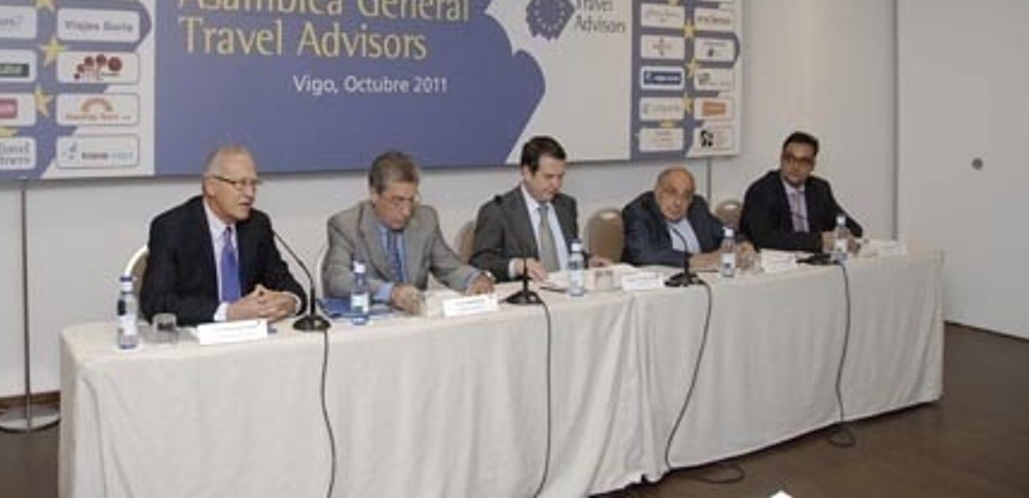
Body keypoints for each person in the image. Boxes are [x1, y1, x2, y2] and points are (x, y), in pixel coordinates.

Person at [139, 145, 305, 326]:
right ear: (210, 186)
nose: (250, 193)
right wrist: (228, 312)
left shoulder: (257, 225)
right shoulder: (172, 228)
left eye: (253, 184)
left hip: (251, 335)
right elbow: (156, 303)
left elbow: (285, 283)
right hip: (197, 335)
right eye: (240, 184)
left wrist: (290, 301)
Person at [323, 150, 493, 314]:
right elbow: (337, 279)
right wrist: (391, 292)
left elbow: (449, 268)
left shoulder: (426, 219)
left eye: (411, 200)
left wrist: (475, 278)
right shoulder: (346, 225)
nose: (406, 211)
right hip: (368, 323)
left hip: (414, 321)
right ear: (374, 194)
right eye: (397, 201)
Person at [471, 135, 611, 282]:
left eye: (560, 177)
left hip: (569, 289)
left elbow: (569, 252)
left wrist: (588, 261)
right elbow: (481, 262)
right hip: (527, 292)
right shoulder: (498, 210)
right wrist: (516, 265)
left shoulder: (566, 205)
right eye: (548, 177)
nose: (556, 184)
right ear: (526, 173)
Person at [740, 131, 864, 253]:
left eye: (804, 161)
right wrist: (819, 240)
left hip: (816, 260)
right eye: (789, 159)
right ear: (781, 159)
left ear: (813, 165)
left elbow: (855, 228)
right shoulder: (761, 191)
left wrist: (843, 234)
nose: (795, 166)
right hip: (778, 262)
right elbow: (764, 238)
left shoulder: (820, 188)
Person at [622, 166, 756, 269]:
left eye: (686, 196)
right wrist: (698, 260)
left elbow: (725, 232)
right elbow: (644, 254)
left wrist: (743, 244)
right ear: (657, 191)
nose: (678, 203)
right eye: (671, 193)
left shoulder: (697, 208)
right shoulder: (639, 211)